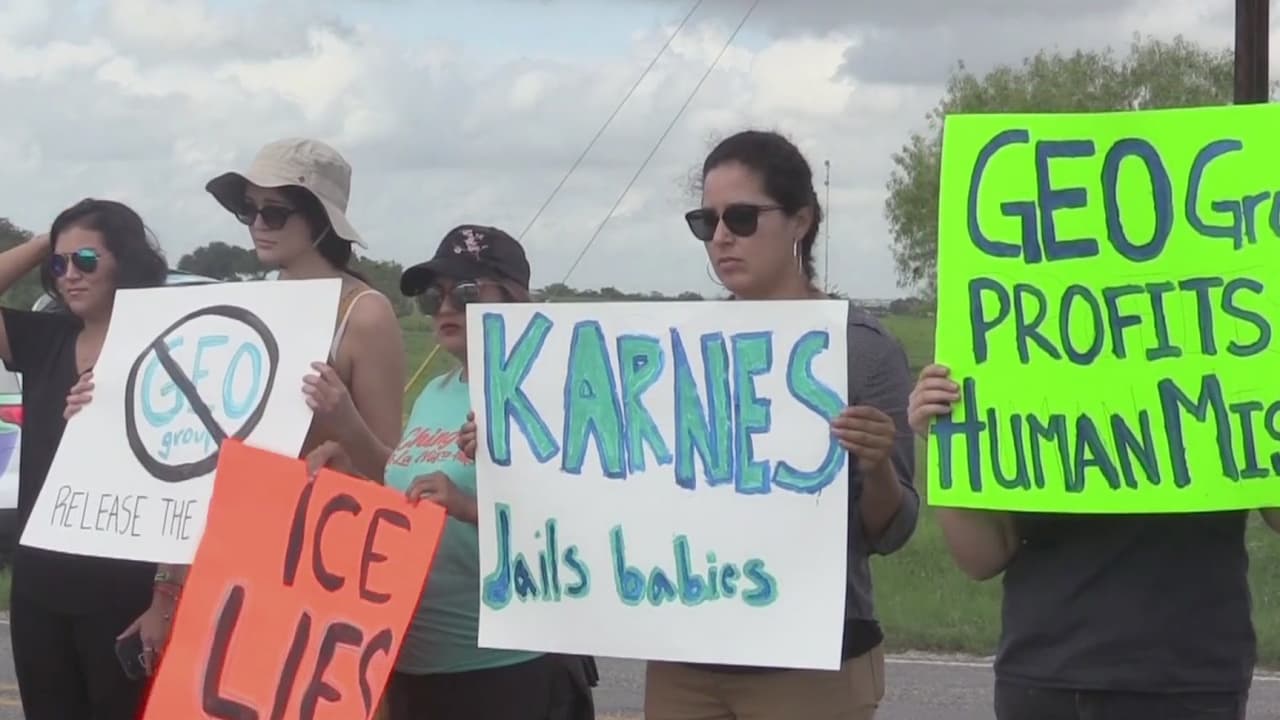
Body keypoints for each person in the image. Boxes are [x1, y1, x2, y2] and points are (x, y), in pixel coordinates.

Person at [63, 138, 408, 681]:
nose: (257, 225)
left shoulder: (363, 314)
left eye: (275, 212)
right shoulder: (243, 304)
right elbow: (193, 460)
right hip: (234, 564)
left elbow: (395, 475)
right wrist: (99, 408)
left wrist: (344, 421)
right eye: (249, 210)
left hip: (323, 576)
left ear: (321, 220)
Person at [639, 130, 917, 720]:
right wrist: (515, 452)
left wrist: (877, 467)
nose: (721, 237)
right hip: (685, 660)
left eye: (741, 218)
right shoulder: (673, 348)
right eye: (706, 221)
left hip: (811, 663)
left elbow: (891, 532)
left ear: (800, 221)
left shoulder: (862, 349)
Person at [307, 224, 595, 720]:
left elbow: (578, 531)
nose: (444, 308)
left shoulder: (551, 393)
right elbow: (406, 486)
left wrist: (468, 507)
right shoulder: (436, 392)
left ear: (514, 299)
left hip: (507, 668)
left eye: (464, 293)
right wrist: (348, 441)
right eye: (432, 297)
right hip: (414, 663)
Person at [908, 362, 1276, 720]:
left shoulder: (1218, 359)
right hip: (1047, 676)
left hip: (1188, 674)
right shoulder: (1021, 369)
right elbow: (983, 558)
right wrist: (950, 449)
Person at [1, 199, 170, 719]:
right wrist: (45, 242)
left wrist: (166, 597)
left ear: (126, 260)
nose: (69, 275)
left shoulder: (165, 347)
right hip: (40, 585)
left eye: (87, 260)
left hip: (123, 589)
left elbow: (189, 480)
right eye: (60, 264)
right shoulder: (48, 338)